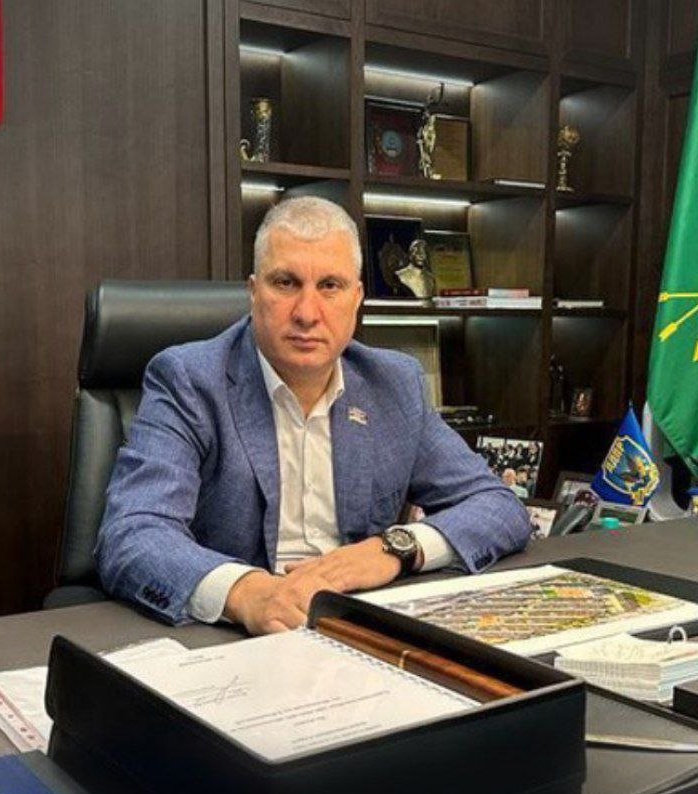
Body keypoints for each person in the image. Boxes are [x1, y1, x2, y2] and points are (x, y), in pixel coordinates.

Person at [95, 197, 531, 634]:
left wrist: (393, 549)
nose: (306, 313)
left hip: (355, 626)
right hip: (232, 634)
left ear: (356, 298)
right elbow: (134, 532)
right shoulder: (189, 380)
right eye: (285, 283)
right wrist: (247, 593)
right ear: (253, 292)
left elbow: (498, 506)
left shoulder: (393, 384)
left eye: (330, 285)